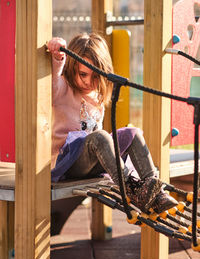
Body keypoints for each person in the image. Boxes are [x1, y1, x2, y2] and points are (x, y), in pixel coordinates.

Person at [47, 33, 177, 230]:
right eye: (83, 74)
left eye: (96, 75)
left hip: (91, 164)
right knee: (100, 136)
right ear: (72, 68)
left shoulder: (97, 98)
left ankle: (154, 191)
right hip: (66, 165)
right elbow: (53, 80)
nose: (89, 81)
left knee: (132, 132)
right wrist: (58, 58)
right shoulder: (62, 88)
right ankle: (131, 189)